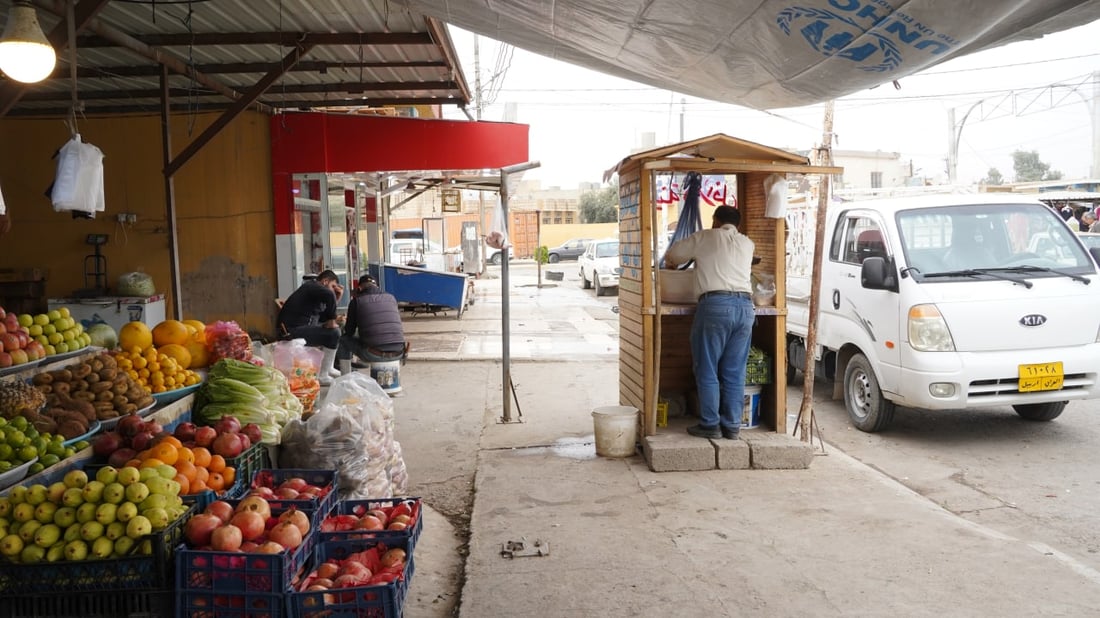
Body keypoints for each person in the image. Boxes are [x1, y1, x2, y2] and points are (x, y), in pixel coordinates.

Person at [664, 204, 755, 440]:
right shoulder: (747, 243)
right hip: (746, 307)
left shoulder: (705, 237)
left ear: (715, 221)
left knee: (707, 367)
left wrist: (675, 261)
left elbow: (673, 256)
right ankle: (732, 426)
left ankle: (710, 424)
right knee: (735, 371)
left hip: (715, 305)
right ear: (738, 225)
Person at [276, 269, 345, 383]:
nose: (334, 290)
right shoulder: (313, 286)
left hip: (301, 329)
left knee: (337, 329)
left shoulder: (317, 295)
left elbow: (323, 318)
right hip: (290, 331)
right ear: (325, 281)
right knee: (334, 332)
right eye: (333, 286)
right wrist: (332, 320)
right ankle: (322, 375)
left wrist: (337, 298)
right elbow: (329, 295)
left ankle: (328, 368)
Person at [338, 274, 408, 374]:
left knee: (343, 340)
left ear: (359, 288)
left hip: (373, 353)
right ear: (377, 286)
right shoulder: (391, 298)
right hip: (399, 352)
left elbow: (349, 332)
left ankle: (346, 376)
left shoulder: (356, 301)